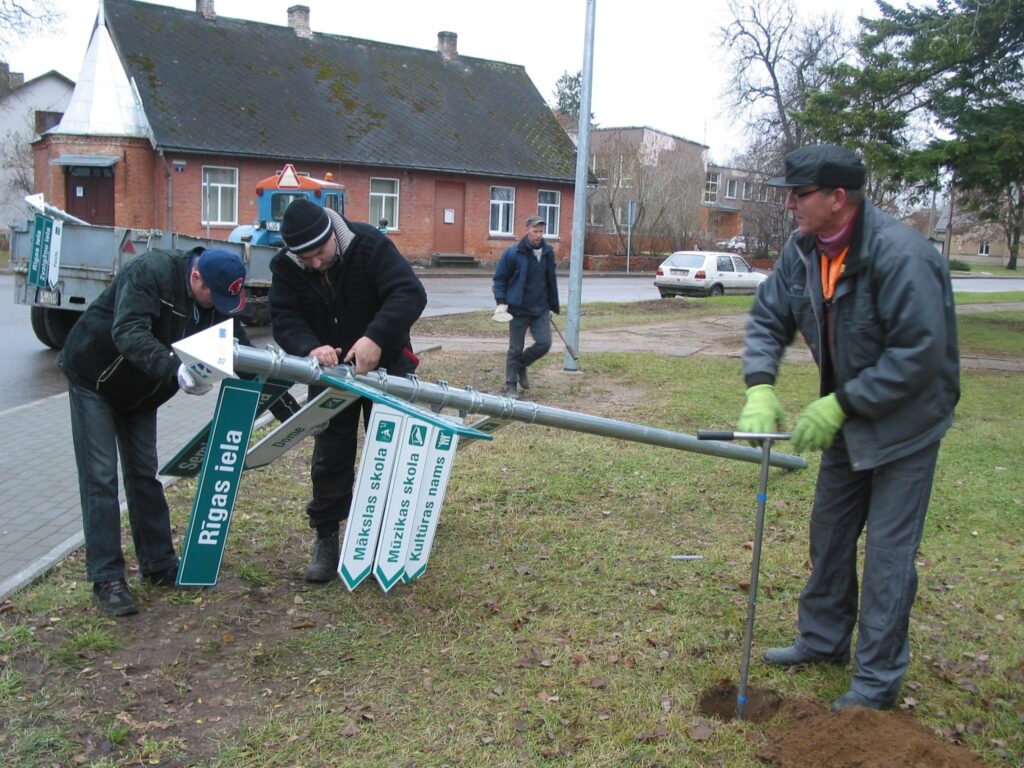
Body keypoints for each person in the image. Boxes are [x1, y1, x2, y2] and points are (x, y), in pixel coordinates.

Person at [737, 144, 960, 712]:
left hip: (906, 426)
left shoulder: (902, 255)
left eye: (799, 194)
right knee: (830, 534)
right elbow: (769, 318)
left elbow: (919, 352)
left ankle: (876, 681)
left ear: (838, 198)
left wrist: (841, 404)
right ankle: (823, 639)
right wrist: (760, 384)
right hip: (846, 417)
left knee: (888, 555)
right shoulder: (803, 250)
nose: (790, 204)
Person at [58, 248, 249, 617]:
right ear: (196, 276)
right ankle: (107, 578)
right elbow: (128, 330)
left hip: (140, 392)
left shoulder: (216, 298)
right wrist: (174, 369)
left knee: (145, 473)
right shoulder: (151, 273)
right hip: (94, 379)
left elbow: (239, 348)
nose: (219, 306)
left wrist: (285, 404)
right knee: (101, 477)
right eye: (214, 295)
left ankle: (159, 563)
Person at [270, 199, 427, 583]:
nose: (315, 264)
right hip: (331, 377)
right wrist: (310, 347)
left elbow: (409, 293)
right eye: (305, 259)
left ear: (332, 236)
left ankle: (385, 540)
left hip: (387, 368)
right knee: (330, 456)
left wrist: (376, 337)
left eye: (319, 253)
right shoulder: (286, 268)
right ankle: (326, 536)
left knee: (389, 452)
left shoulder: (369, 245)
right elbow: (285, 319)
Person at [492, 215, 560, 398]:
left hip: (540, 309)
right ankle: (511, 384)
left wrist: (551, 304)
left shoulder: (548, 252)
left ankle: (521, 365)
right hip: (518, 309)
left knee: (544, 343)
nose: (539, 235)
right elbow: (500, 279)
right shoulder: (513, 253)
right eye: (535, 231)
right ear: (527, 230)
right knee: (515, 348)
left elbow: (550, 280)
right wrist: (501, 302)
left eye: (541, 231)